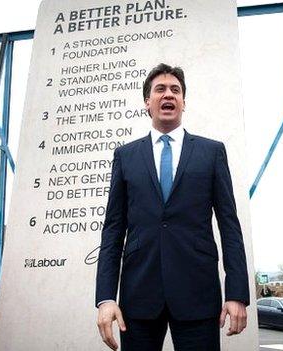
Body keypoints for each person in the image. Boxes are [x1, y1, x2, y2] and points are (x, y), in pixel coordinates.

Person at [95, 63, 250, 351]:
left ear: (183, 102)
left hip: (198, 293)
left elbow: (229, 224)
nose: (169, 95)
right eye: (160, 89)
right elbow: (113, 230)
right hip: (138, 296)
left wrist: (237, 293)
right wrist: (106, 298)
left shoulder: (211, 152)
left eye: (175, 90)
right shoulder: (125, 156)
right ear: (147, 103)